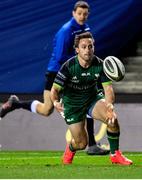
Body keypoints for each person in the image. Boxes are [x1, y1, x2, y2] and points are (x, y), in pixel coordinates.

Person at [0, 1, 109, 155]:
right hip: (58, 72)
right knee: (51, 109)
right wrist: (80, 62)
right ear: (73, 13)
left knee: (47, 109)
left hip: (71, 73)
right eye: (79, 13)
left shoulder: (85, 28)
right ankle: (91, 144)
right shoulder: (67, 30)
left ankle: (15, 103)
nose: (82, 16)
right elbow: (59, 57)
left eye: (85, 14)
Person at [50, 32, 133, 165]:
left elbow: (108, 88)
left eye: (90, 46)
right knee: (81, 143)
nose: (87, 50)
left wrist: (110, 105)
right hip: (72, 105)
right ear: (77, 49)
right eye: (83, 47)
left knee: (112, 119)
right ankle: (70, 148)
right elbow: (54, 90)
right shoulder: (68, 66)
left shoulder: (100, 64)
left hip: (92, 99)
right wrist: (55, 102)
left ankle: (115, 155)